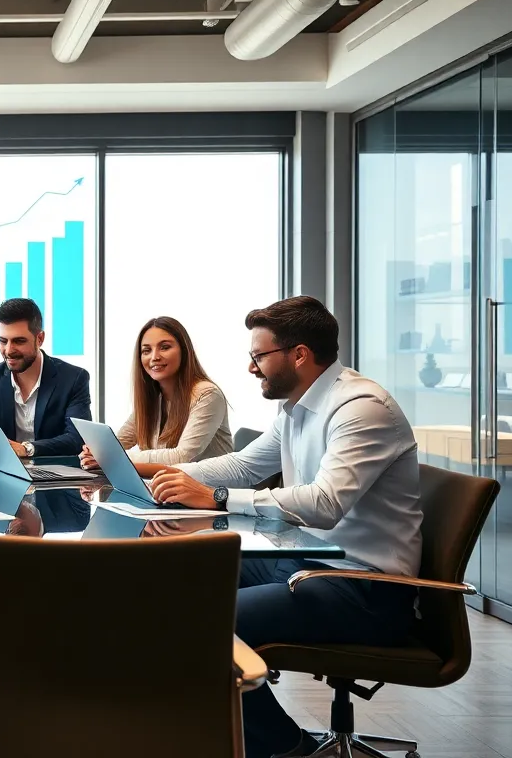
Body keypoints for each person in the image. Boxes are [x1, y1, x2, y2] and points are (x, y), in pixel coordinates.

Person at [147, 296, 423, 758]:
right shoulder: (296, 407)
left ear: (298, 354)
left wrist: (212, 498)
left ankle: (283, 747)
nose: (252, 367)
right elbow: (242, 467)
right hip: (302, 561)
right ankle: (205, 729)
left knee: (203, 622)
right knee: (178, 575)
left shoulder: (361, 408)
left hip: (364, 587)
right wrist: (164, 476)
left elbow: (326, 502)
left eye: (259, 356)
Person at [80, 316, 232, 476]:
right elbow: (117, 444)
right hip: (165, 489)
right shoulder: (153, 397)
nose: (154, 357)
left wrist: (110, 457)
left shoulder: (207, 394)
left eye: (165, 347)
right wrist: (95, 452)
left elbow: (182, 456)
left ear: (184, 351)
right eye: (146, 350)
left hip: (211, 492)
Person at [0, 298, 91, 458]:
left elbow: (77, 439)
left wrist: (26, 449)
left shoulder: (74, 378)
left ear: (39, 339)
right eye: (3, 341)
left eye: (19, 341)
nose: (9, 350)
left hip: (56, 474)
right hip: (5, 473)